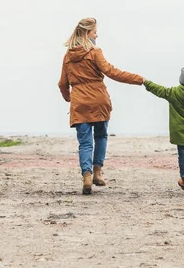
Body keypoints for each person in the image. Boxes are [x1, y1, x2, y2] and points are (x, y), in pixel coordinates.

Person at [58, 18, 144, 195]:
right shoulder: (95, 52)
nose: (97, 35)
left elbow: (62, 83)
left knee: (84, 143)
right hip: (98, 99)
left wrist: (69, 98)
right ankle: (98, 172)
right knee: (101, 136)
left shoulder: (68, 56)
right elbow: (112, 72)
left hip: (79, 101)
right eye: (95, 31)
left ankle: (87, 176)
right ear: (87, 33)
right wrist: (138, 79)